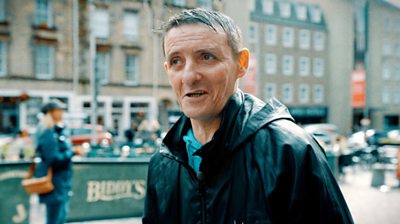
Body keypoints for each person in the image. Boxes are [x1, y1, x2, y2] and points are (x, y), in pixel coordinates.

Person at [143, 8, 353, 224]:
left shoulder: (291, 151)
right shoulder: (163, 162)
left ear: (241, 64)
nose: (189, 76)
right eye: (177, 61)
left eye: (206, 57)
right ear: (167, 70)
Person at [34, 100, 83, 224]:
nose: (62, 113)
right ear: (50, 112)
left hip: (62, 181)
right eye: (59, 110)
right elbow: (53, 158)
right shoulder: (47, 132)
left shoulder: (56, 130)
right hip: (54, 182)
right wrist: (72, 152)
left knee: (61, 216)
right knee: (55, 218)